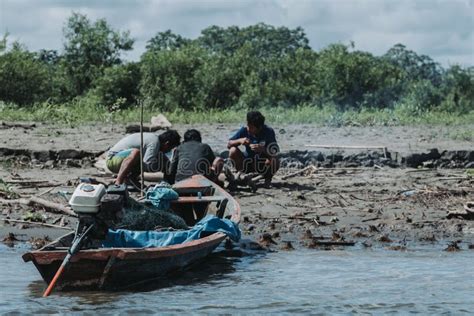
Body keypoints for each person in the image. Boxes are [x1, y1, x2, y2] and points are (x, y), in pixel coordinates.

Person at [106, 130, 181, 185]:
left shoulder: (156, 141)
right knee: (136, 153)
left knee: (164, 161)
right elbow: (147, 164)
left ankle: (130, 180)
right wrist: (160, 167)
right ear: (166, 144)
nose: (168, 151)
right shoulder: (155, 142)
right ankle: (118, 182)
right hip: (113, 159)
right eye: (170, 148)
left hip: (122, 159)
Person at [227, 111, 280, 184]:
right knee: (233, 150)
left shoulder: (268, 131)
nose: (248, 129)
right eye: (248, 125)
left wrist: (263, 149)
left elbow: (275, 151)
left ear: (259, 127)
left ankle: (267, 178)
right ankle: (241, 174)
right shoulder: (244, 130)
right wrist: (239, 141)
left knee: (275, 159)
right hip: (247, 163)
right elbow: (229, 144)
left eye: (251, 127)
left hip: (262, 165)